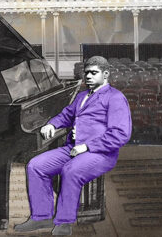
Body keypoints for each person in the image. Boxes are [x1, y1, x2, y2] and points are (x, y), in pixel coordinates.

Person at [14, 56, 132, 236]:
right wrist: (52, 124)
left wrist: (87, 147)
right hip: (73, 148)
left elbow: (120, 134)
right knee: (35, 166)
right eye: (87, 73)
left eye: (94, 73)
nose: (88, 77)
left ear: (106, 74)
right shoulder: (82, 96)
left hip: (100, 153)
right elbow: (66, 115)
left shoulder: (116, 97)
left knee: (71, 170)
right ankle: (41, 216)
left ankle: (64, 222)